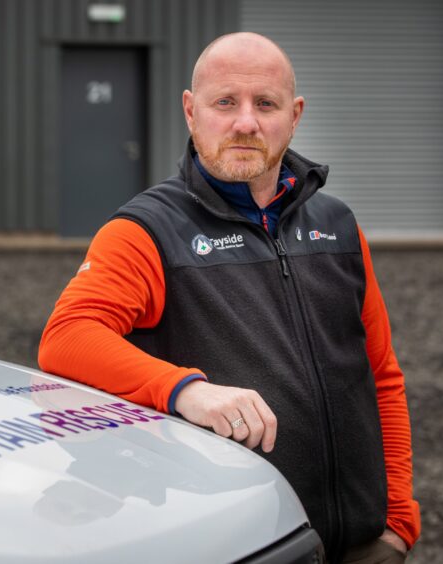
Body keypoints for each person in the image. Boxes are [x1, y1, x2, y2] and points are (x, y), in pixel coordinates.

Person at [39, 32, 420, 563]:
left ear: (295, 114)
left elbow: (379, 374)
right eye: (225, 102)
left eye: (266, 103)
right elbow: (67, 337)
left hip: (362, 543)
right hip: (244, 546)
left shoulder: (338, 226)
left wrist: (398, 521)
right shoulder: (147, 229)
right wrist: (185, 390)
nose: (246, 122)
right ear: (192, 112)